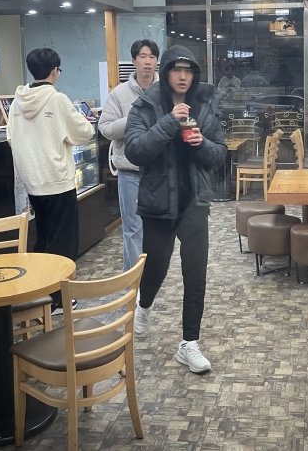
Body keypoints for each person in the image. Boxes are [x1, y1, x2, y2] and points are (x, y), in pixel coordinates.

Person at [124, 45, 226, 374]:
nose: (183, 76)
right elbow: (135, 150)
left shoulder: (205, 105)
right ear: (165, 71)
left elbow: (220, 154)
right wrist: (170, 122)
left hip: (195, 201)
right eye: (176, 70)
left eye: (189, 70)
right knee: (156, 268)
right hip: (158, 204)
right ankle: (144, 304)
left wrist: (201, 144)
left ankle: (189, 344)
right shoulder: (146, 105)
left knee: (195, 274)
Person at [7, 48, 94, 313]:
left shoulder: (17, 101)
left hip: (32, 181)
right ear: (55, 70)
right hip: (57, 180)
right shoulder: (57, 99)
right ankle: (57, 299)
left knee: (43, 238)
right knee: (63, 243)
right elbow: (84, 132)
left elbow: (11, 137)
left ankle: (41, 294)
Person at [98, 39, 159, 272]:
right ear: (134, 61)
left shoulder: (166, 91)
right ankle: (134, 281)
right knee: (133, 228)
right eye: (142, 56)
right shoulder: (119, 93)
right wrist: (133, 118)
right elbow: (105, 128)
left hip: (158, 172)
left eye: (152, 56)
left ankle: (151, 276)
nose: (147, 61)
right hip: (130, 172)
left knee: (156, 227)